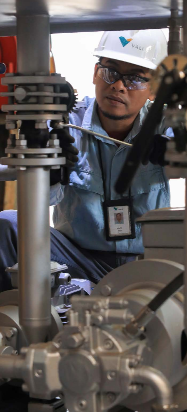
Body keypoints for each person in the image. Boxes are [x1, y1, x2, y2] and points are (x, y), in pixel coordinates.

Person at [0, 29, 170, 291]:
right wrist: (51, 174)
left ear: (153, 90)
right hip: (75, 259)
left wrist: (178, 151)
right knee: (8, 225)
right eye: (110, 71)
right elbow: (41, 201)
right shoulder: (66, 126)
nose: (118, 85)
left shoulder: (165, 125)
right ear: (95, 73)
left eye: (135, 78)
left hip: (145, 262)